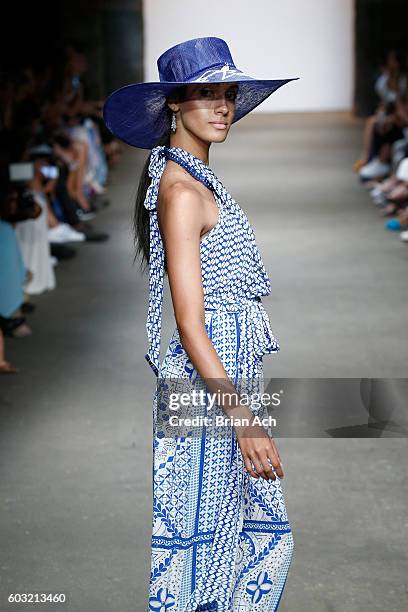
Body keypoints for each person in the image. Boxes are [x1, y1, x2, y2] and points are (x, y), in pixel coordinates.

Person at [103, 37, 298, 611]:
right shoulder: (182, 191)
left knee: (234, 541)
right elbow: (189, 324)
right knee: (216, 545)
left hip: (225, 380)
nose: (222, 108)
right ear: (174, 105)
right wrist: (247, 424)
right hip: (209, 387)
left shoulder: (191, 178)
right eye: (206, 95)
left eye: (229, 95)